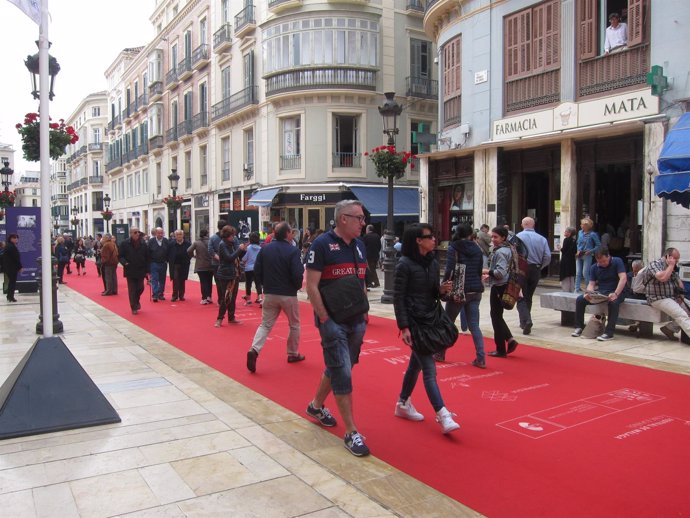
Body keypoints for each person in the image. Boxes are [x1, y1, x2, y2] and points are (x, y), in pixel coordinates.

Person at [304, 199, 370, 457]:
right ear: (343, 218)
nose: (363, 223)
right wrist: (324, 319)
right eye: (359, 218)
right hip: (332, 321)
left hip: (356, 319)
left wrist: (364, 311)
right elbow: (311, 285)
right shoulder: (321, 245)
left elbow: (361, 280)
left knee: (339, 365)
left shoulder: (360, 246)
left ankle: (315, 406)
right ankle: (351, 431)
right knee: (342, 370)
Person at [393, 223, 461, 433]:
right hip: (415, 323)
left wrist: (441, 290)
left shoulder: (432, 262)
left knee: (416, 365)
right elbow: (399, 298)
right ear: (418, 241)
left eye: (434, 236)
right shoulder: (403, 264)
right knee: (429, 369)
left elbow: (432, 293)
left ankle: (403, 403)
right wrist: (404, 327)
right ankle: (443, 414)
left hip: (431, 318)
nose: (435, 240)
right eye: (430, 237)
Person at [246, 222, 306, 373]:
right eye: (291, 232)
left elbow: (257, 270)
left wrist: (262, 287)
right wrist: (296, 286)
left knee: (265, 324)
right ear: (287, 234)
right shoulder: (293, 251)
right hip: (288, 293)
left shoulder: (265, 249)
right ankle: (292, 353)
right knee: (294, 324)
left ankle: (254, 349)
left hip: (270, 292)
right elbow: (297, 273)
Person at [442, 224, 486, 368]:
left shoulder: (453, 248)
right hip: (475, 290)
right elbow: (479, 269)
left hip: (459, 290)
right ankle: (481, 358)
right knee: (474, 325)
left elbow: (449, 270)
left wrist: (443, 286)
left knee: (448, 322)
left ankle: (440, 352)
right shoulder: (477, 248)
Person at [571, 248, 627, 341]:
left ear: (608, 256)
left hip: (618, 291)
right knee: (580, 299)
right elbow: (591, 284)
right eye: (600, 262)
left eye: (604, 261)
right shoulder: (594, 267)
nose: (602, 263)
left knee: (613, 303)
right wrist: (589, 293)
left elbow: (623, 278)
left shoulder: (617, 261)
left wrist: (616, 293)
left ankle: (609, 333)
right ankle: (579, 327)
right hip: (602, 292)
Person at [483, 226, 519, 357]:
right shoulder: (509, 248)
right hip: (504, 284)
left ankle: (501, 348)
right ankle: (509, 339)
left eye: (495, 237)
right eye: (492, 236)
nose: (493, 239)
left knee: (496, 316)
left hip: (500, 285)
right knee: (497, 315)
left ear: (503, 237)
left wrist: (487, 271)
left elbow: (500, 272)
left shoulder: (501, 252)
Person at [640, 248, 690, 341]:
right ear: (668, 256)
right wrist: (671, 266)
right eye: (675, 258)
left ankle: (669, 329)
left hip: (672, 297)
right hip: (657, 298)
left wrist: (681, 296)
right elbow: (662, 278)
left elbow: (679, 282)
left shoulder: (672, 267)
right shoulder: (654, 264)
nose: (677, 261)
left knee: (687, 310)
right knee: (682, 314)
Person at [515, 217, 552, 335]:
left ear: (522, 225)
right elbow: (547, 257)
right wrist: (540, 267)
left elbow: (513, 253)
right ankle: (525, 320)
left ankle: (526, 320)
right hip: (535, 269)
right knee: (529, 295)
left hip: (522, 268)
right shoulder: (542, 239)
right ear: (533, 225)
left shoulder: (518, 237)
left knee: (520, 295)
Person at [214, 225, 247, 327]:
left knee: (233, 298)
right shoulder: (222, 244)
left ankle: (231, 317)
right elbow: (229, 258)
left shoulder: (232, 244)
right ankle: (219, 318)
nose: (234, 237)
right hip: (226, 274)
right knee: (226, 297)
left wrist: (243, 250)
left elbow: (237, 257)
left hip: (234, 273)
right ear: (227, 235)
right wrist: (239, 250)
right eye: (232, 235)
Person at [118, 227, 150, 315]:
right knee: (132, 289)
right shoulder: (125, 243)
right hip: (130, 269)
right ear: (131, 233)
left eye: (138, 232)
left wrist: (148, 270)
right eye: (135, 232)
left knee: (140, 288)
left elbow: (147, 257)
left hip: (141, 269)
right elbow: (120, 256)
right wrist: (125, 263)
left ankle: (136, 300)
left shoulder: (143, 243)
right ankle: (133, 307)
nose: (137, 234)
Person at [188, 228, 214, 305]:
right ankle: (209, 296)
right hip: (210, 265)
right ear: (207, 234)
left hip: (200, 265)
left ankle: (204, 298)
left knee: (203, 282)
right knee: (209, 281)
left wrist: (194, 256)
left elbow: (189, 250)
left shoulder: (196, 243)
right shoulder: (210, 242)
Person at [575, 218, 600, 293]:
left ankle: (588, 288)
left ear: (587, 226)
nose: (581, 225)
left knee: (585, 272)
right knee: (578, 273)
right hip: (579, 254)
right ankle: (577, 289)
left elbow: (598, 245)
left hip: (587, 255)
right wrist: (577, 250)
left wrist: (590, 251)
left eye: (582, 224)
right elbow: (578, 243)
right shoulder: (580, 232)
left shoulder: (593, 234)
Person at [168, 230, 191, 302]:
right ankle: (174, 296)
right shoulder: (171, 244)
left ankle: (181, 295)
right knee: (175, 279)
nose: (179, 236)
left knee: (182, 279)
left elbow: (190, 253)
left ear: (183, 235)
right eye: (177, 235)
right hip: (175, 264)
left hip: (184, 264)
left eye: (180, 234)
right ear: (175, 236)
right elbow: (168, 253)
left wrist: (187, 259)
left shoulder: (187, 243)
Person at [148, 227, 170, 302]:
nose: (160, 234)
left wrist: (167, 260)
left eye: (161, 233)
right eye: (159, 233)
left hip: (163, 263)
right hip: (154, 263)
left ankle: (161, 294)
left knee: (162, 280)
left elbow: (169, 251)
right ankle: (155, 295)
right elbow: (148, 252)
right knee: (154, 279)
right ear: (156, 233)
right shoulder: (151, 241)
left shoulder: (166, 241)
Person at [241, 231, 264, 306]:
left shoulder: (248, 248)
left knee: (248, 283)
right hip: (257, 268)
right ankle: (260, 298)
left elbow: (244, 259)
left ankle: (248, 299)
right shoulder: (260, 248)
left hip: (248, 268)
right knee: (258, 283)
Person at [208, 219, 227, 304]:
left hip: (216, 263)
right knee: (227, 282)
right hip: (227, 262)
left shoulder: (213, 238)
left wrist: (218, 257)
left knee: (218, 282)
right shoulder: (229, 237)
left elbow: (210, 250)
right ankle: (225, 298)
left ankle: (221, 299)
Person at [2, 234, 22, 303]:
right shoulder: (11, 247)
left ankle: (9, 296)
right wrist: (20, 267)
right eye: (15, 238)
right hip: (11, 268)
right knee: (12, 282)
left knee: (11, 282)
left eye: (17, 238)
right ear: (11, 239)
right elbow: (15, 258)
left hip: (9, 268)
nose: (16, 239)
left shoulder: (9, 246)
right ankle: (11, 297)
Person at [558, 226, 577, 293]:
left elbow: (564, 250)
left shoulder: (566, 240)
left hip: (565, 260)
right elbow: (574, 251)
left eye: (566, 231)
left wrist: (560, 248)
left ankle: (566, 290)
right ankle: (571, 290)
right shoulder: (574, 240)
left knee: (565, 275)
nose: (564, 232)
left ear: (569, 233)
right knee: (571, 276)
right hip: (572, 260)